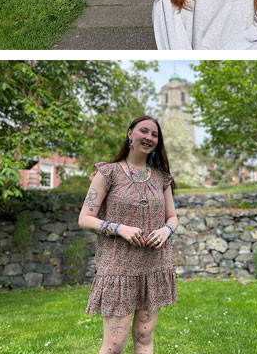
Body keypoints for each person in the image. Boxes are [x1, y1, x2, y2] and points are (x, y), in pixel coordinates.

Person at [78, 116, 178, 354]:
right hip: (118, 268)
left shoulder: (161, 178)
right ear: (130, 133)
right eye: (144, 131)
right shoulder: (108, 173)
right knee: (114, 344)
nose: (149, 137)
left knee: (144, 338)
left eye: (154, 135)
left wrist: (166, 230)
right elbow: (85, 218)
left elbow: (172, 217)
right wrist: (119, 228)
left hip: (153, 266)